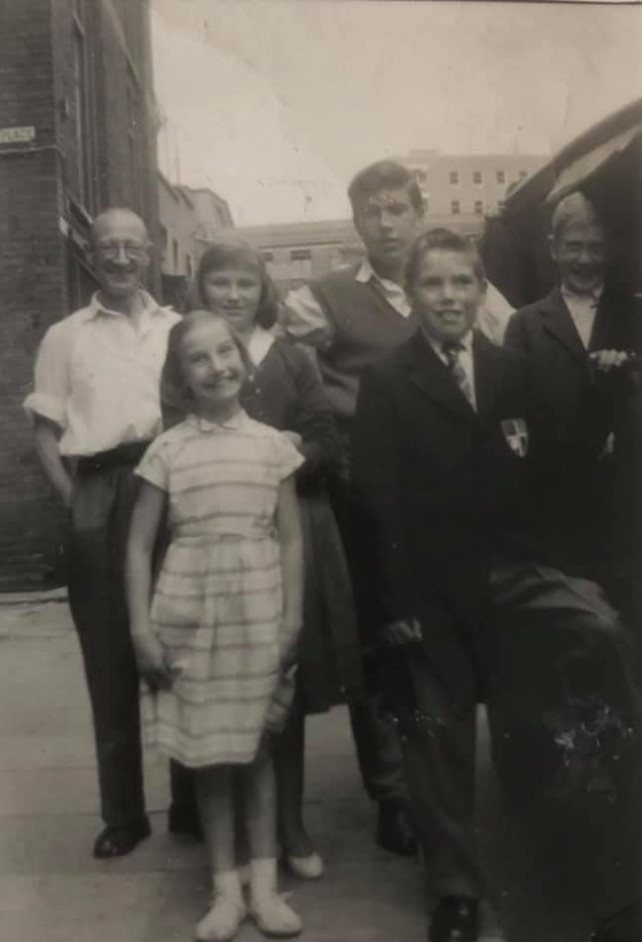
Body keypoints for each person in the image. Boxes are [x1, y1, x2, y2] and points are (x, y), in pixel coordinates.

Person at [351, 228, 640, 942]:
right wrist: (395, 605)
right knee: (438, 731)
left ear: (482, 291)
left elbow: (560, 464)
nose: (448, 297)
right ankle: (454, 890)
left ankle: (606, 860)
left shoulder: (512, 369)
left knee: (599, 629)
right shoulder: (389, 382)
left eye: (462, 282)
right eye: (433, 283)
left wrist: (602, 395)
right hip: (432, 587)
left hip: (513, 571)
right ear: (412, 295)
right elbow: (375, 502)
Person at [280, 160, 514, 856]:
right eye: (371, 212)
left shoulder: (457, 283)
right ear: (356, 221)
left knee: (449, 651)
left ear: (419, 214)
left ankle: (463, 784)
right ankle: (393, 794)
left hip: (445, 496)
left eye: (396, 209)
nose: (384, 224)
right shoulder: (323, 297)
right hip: (363, 493)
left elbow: (511, 347)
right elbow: (283, 368)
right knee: (380, 644)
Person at [164, 239, 364, 878]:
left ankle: (291, 826)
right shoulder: (192, 354)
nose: (233, 295)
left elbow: (326, 440)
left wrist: (283, 451)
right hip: (216, 534)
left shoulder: (291, 357)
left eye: (245, 284)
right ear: (201, 290)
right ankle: (229, 836)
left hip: (286, 523)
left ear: (263, 290)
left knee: (283, 679)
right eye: (219, 283)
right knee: (219, 679)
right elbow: (174, 433)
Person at [126, 311, 304, 941]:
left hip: (257, 611)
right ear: (180, 376)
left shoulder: (273, 445)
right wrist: (141, 631)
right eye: (197, 359)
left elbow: (291, 540)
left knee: (256, 752)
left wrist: (293, 618)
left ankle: (265, 889)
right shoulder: (167, 450)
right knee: (209, 758)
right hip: (189, 614)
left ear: (244, 361)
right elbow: (138, 546)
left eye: (225, 352)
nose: (216, 367)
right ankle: (226, 891)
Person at [23, 208, 181, 858]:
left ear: (149, 254)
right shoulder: (65, 336)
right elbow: (45, 432)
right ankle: (124, 814)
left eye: (131, 246)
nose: (119, 257)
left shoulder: (176, 327)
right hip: (99, 485)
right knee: (109, 653)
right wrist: (77, 503)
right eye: (107, 246)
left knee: (181, 637)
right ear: (90, 253)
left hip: (169, 482)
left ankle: (195, 801)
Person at [504, 191, 637, 582]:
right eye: (573, 246)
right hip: (557, 506)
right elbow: (511, 416)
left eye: (596, 247)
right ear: (553, 248)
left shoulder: (635, 314)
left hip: (629, 503)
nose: (585, 259)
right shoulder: (525, 325)